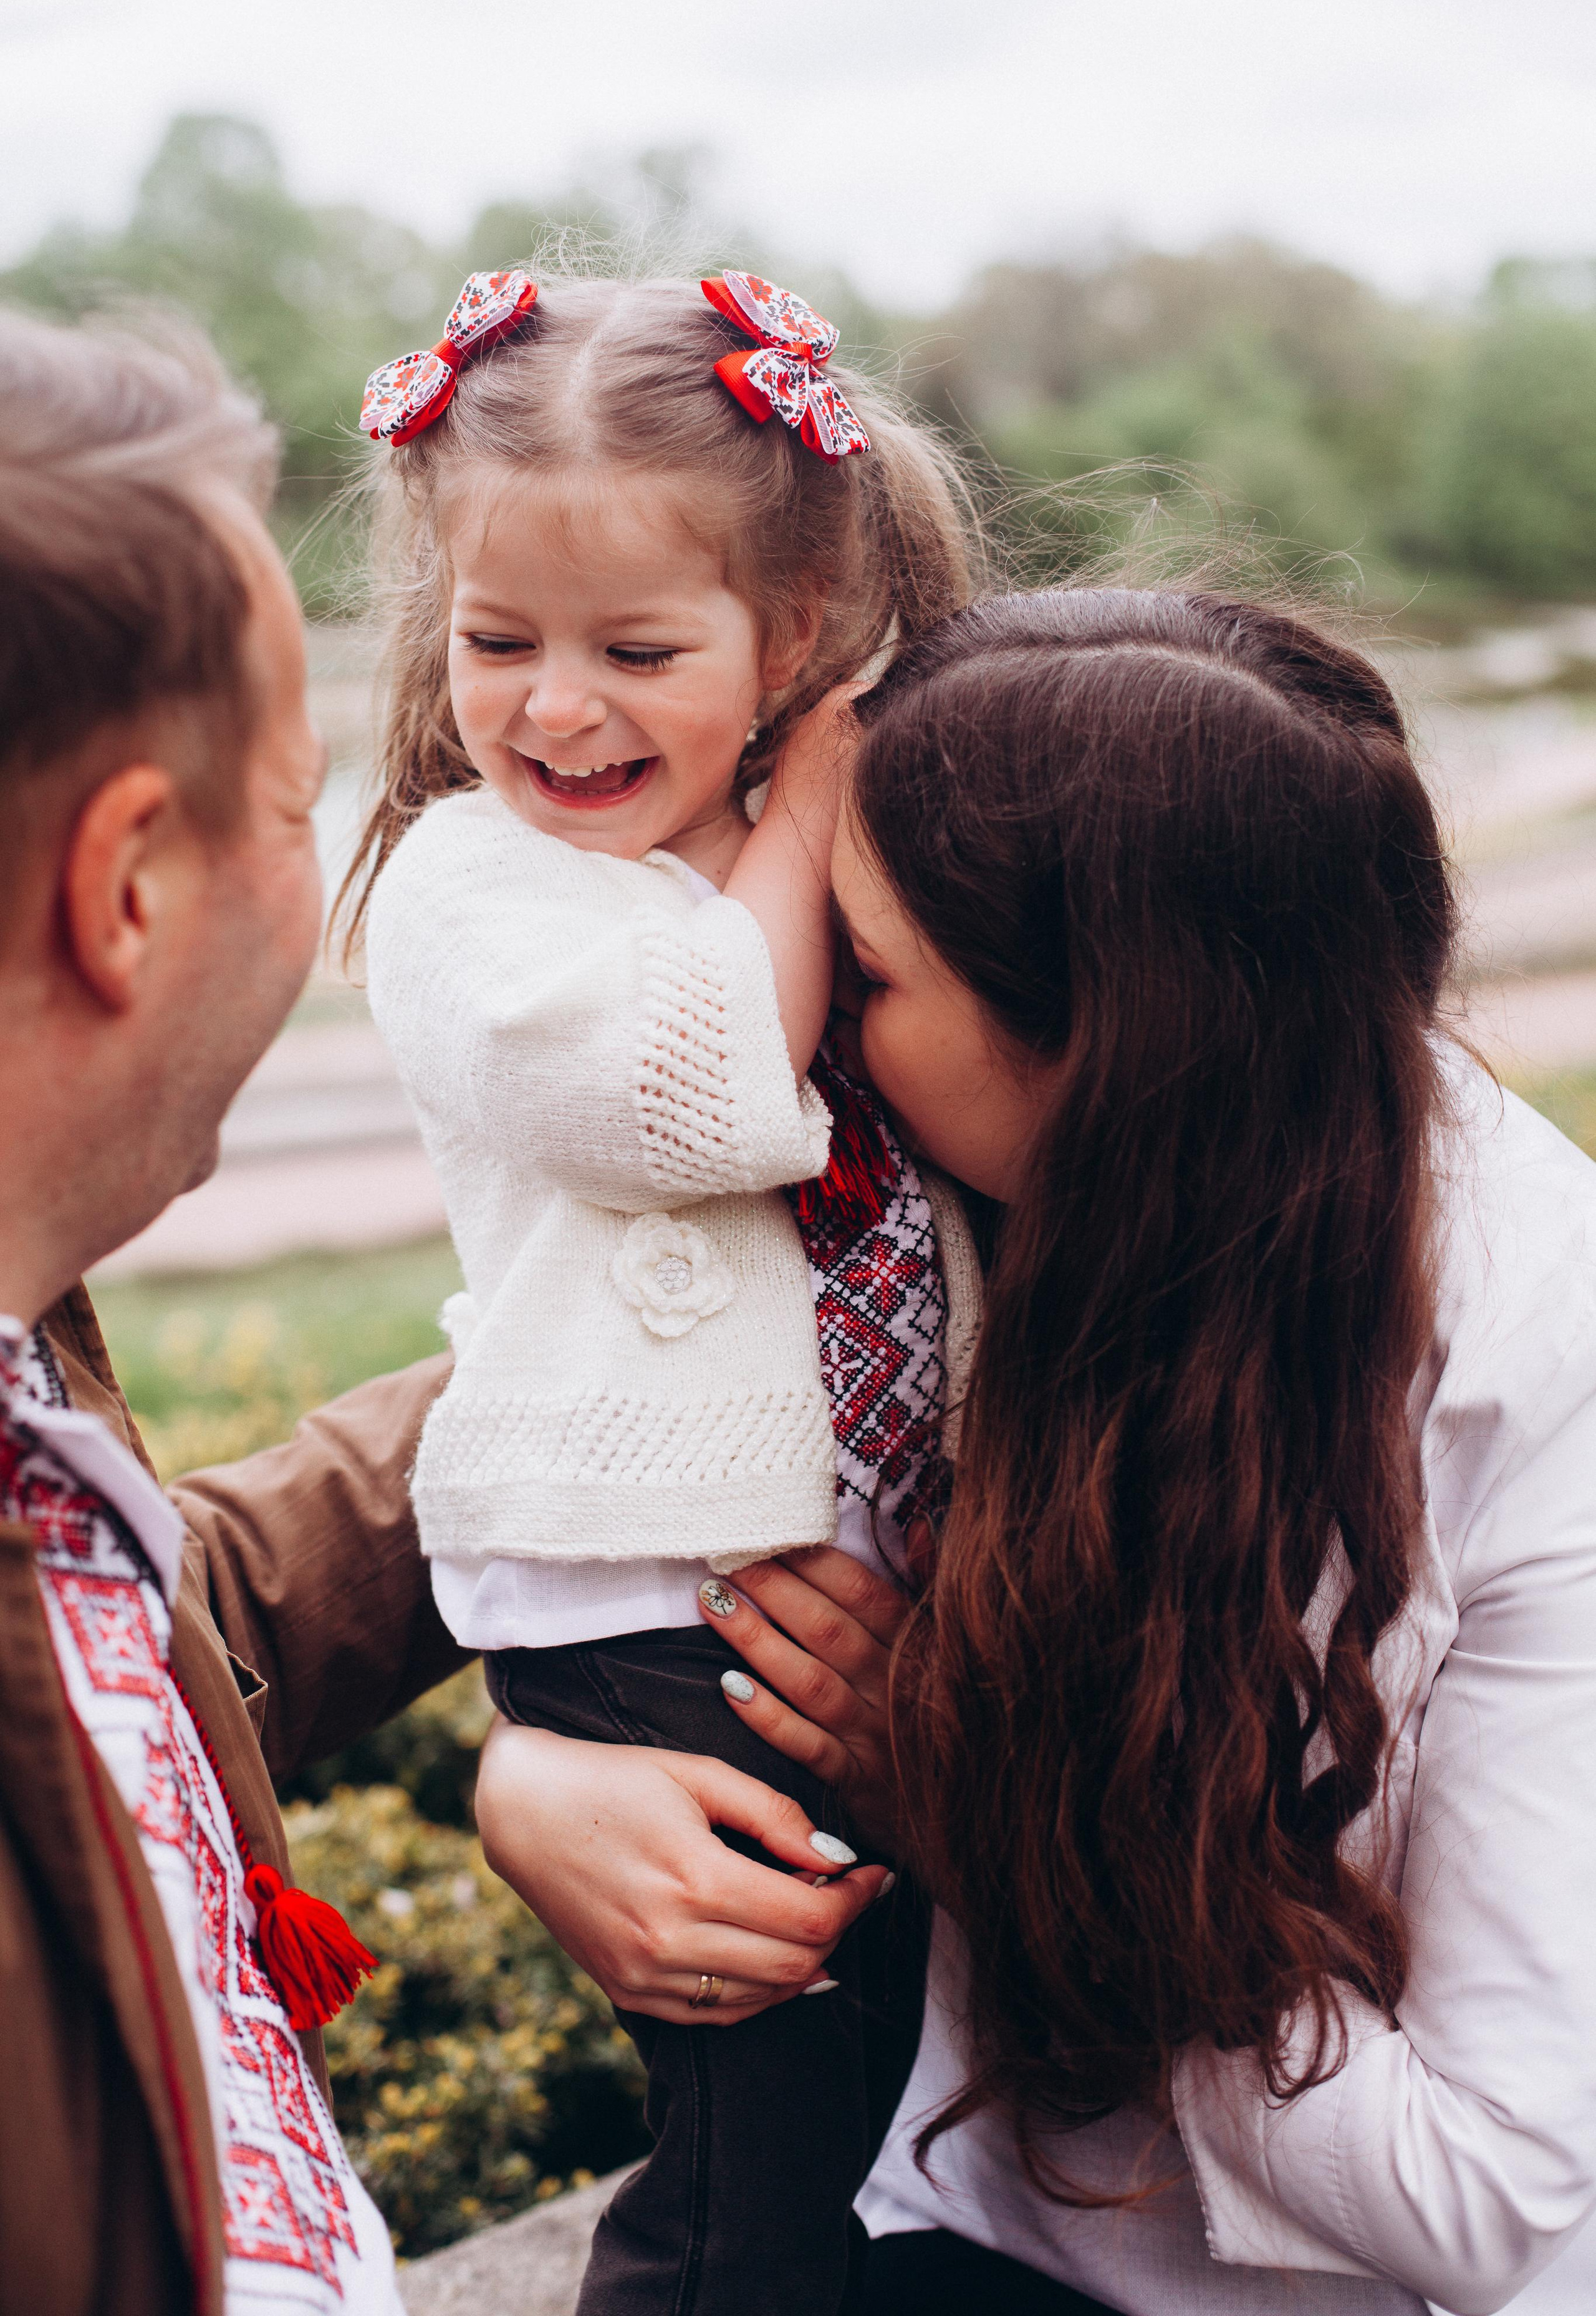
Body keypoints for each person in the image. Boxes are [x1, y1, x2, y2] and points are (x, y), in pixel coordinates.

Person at [477, 587, 1596, 2315]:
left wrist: (987, 1812)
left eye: (862, 971)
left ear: (1097, 1041)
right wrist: (538, 1771)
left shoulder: (1534, 1374)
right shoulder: (939, 1189)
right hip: (932, 2209)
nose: (811, 1026)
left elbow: (1491, 2194)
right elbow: (551, 1402)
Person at [0, 302, 891, 2316]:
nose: (517, 724)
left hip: (752, 1599)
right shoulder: (514, 903)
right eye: (303, 785)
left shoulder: (28, 1394)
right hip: (698, 1651)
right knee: (782, 2174)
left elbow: (138, 1630)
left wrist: (522, 1731)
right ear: (129, 880)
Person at [343, 263, 985, 2316]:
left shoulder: (812, 842)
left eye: (637, 646)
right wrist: (804, 801)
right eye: (495, 639)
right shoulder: (475, 889)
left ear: (789, 632)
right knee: (765, 2157)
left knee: (897, 2089)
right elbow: (694, 1090)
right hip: (640, 1605)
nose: (550, 705)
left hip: (827, 1573)